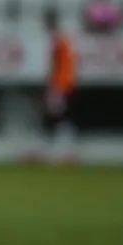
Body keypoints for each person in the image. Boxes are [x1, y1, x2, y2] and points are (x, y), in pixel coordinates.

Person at [43, 9, 77, 164]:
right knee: (61, 118)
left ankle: (64, 153)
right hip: (64, 83)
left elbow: (56, 65)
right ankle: (64, 152)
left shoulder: (58, 41)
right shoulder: (63, 39)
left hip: (60, 85)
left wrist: (53, 85)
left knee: (58, 119)